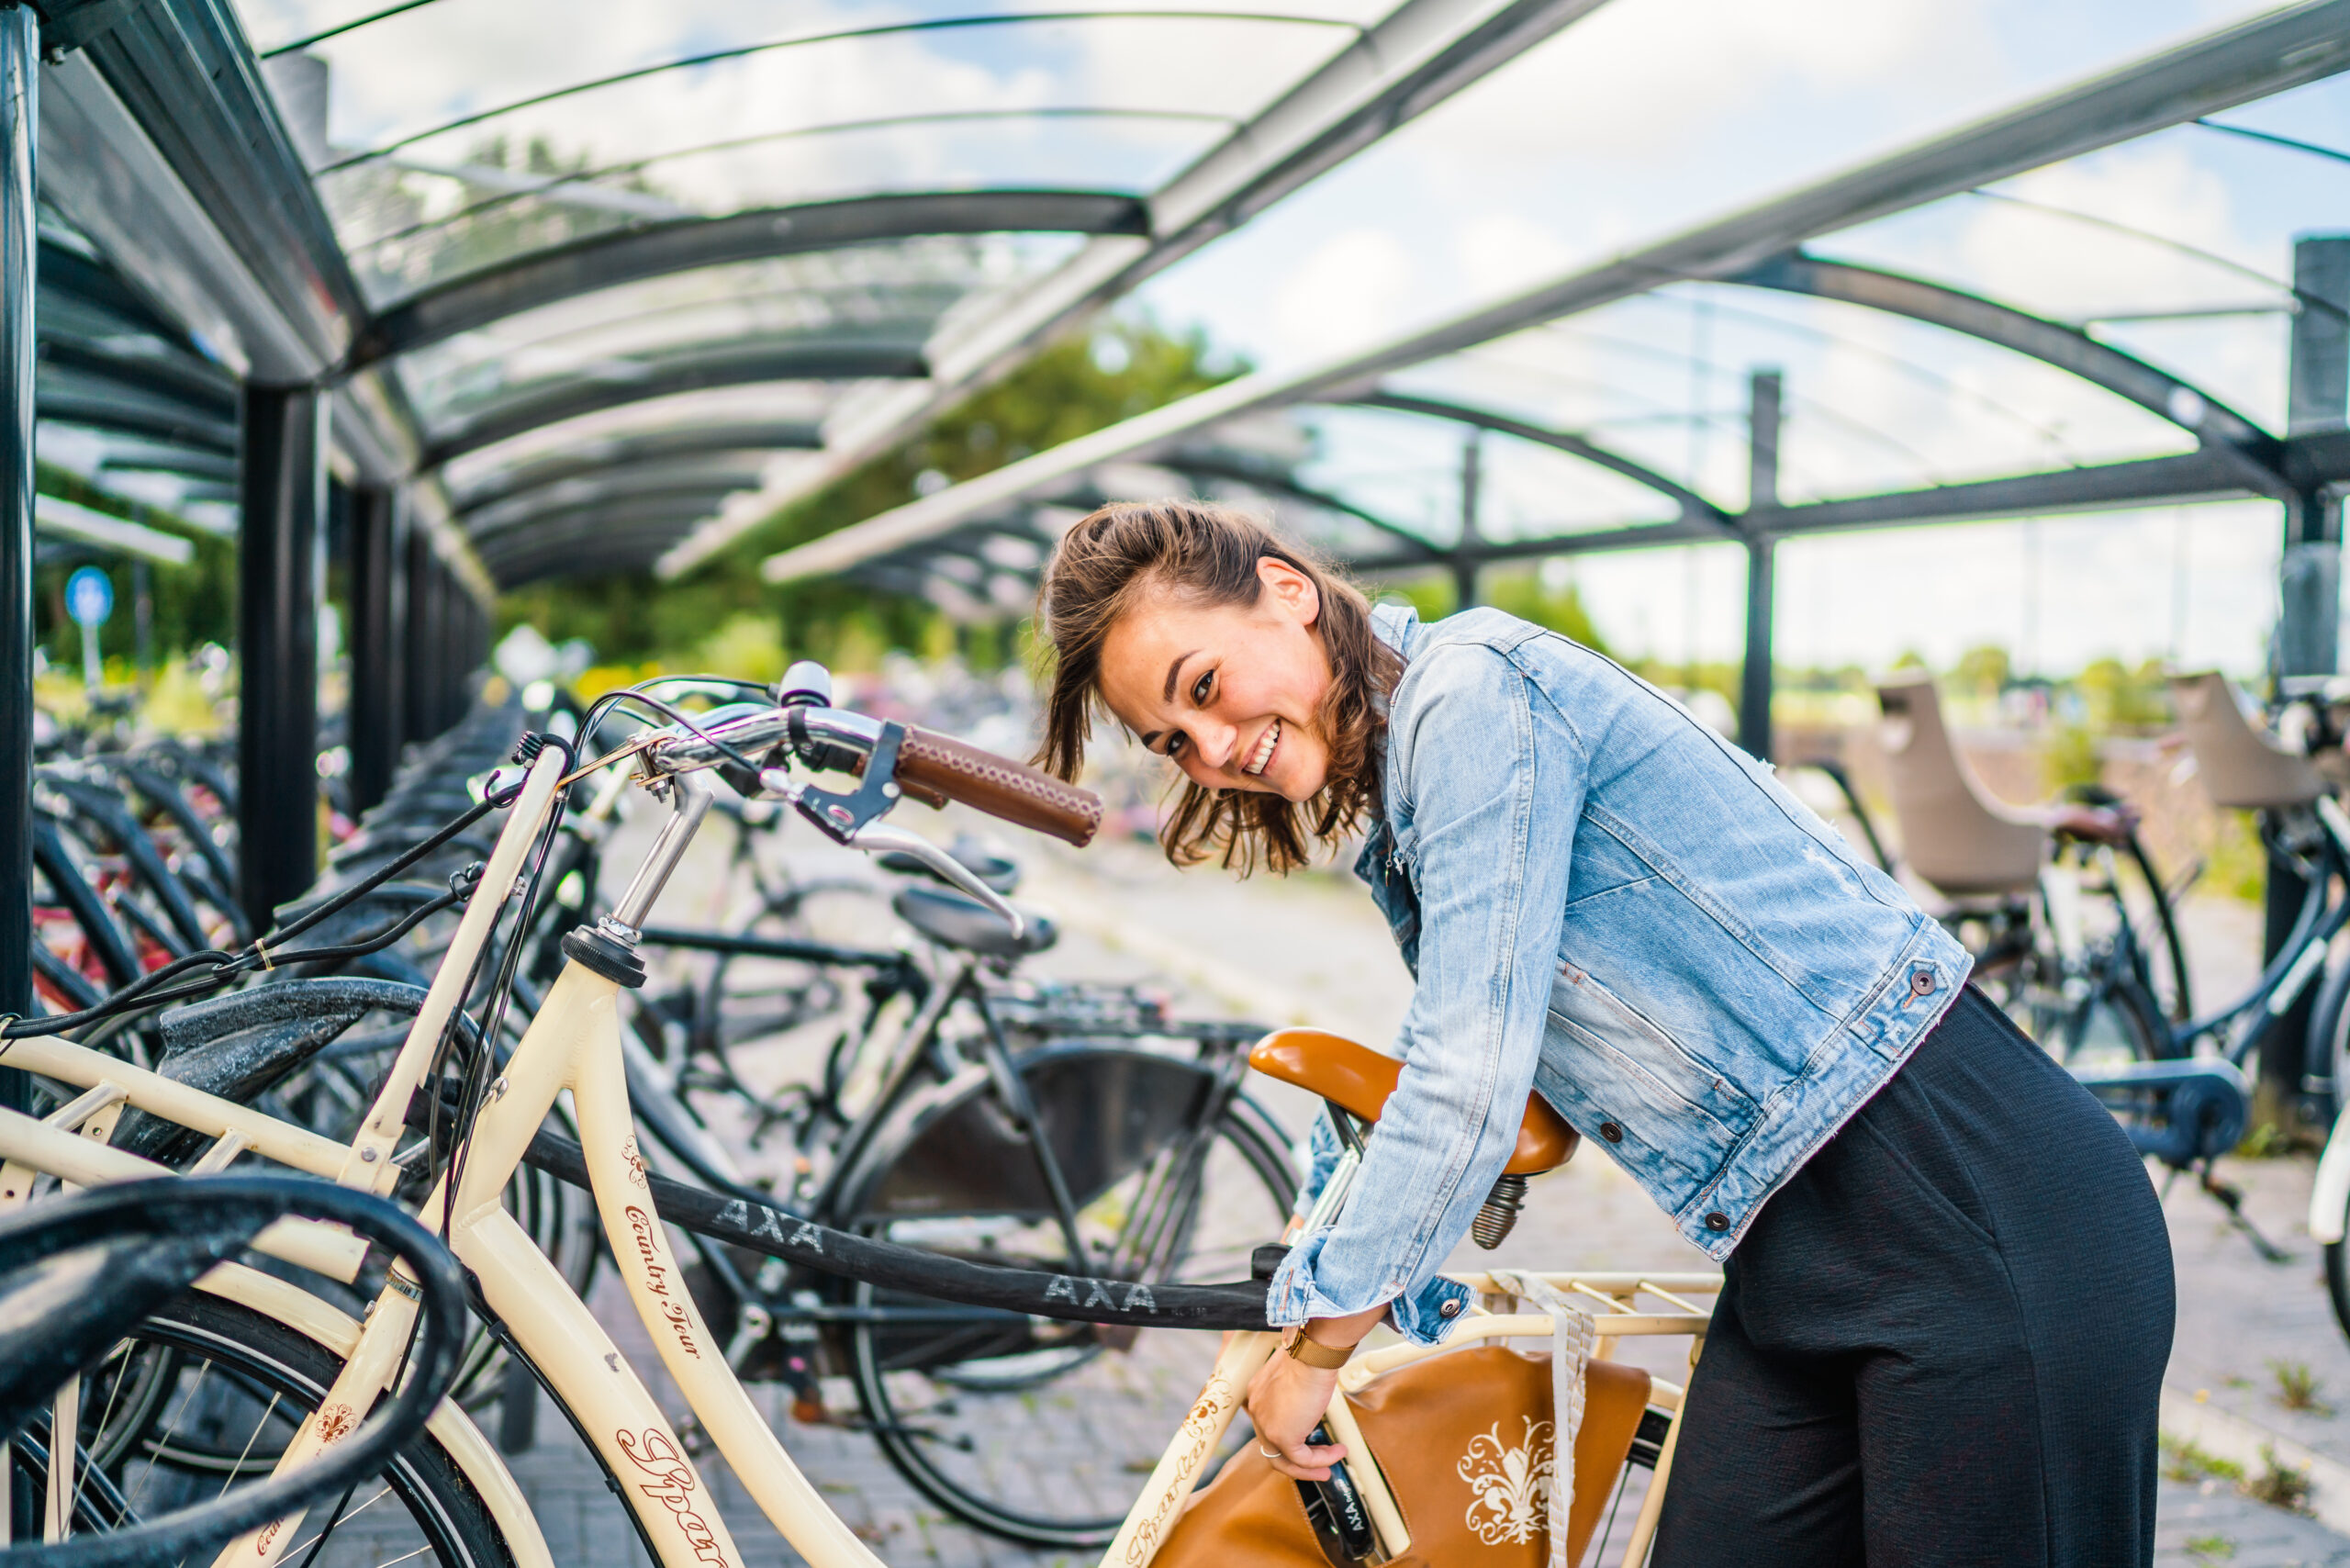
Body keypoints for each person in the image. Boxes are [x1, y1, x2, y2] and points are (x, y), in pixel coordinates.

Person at [1032, 498, 2173, 1565]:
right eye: (1170, 739)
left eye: (1204, 684)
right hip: (1802, 1254)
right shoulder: (1404, 789)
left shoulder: (1472, 697)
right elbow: (1468, 1044)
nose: (1210, 744)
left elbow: (1468, 1078)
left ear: (1284, 590)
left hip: (1976, 1210)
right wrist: (1341, 1231)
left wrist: (1323, 1343)